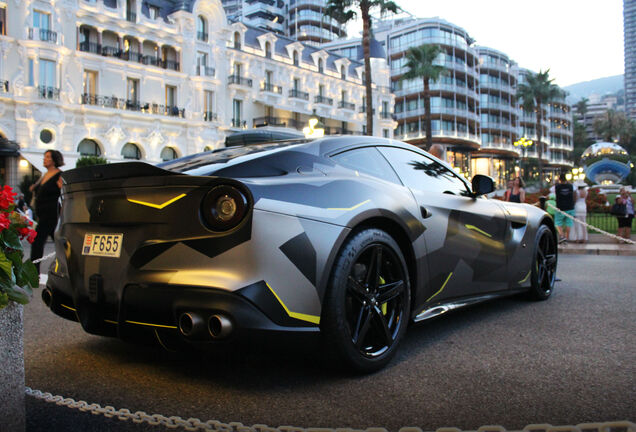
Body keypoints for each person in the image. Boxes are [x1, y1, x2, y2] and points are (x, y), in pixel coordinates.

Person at [30, 150, 64, 272]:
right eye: (45, 156)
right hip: (43, 214)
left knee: (37, 242)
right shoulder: (45, 175)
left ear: (54, 160)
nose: (45, 159)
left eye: (48, 157)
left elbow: (64, 192)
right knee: (60, 244)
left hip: (51, 215)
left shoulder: (59, 175)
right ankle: (70, 265)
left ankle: (33, 271)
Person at [554, 173, 575, 242]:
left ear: (559, 179)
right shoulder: (570, 186)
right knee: (568, 223)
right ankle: (567, 238)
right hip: (570, 207)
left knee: (558, 223)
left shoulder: (557, 187)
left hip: (560, 207)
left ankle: (562, 235)